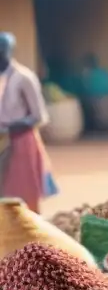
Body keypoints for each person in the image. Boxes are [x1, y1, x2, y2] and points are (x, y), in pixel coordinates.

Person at [0, 33, 56, 211]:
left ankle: (31, 235)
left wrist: (10, 127)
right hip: (2, 142)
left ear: (7, 52)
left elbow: (39, 116)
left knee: (24, 199)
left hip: (21, 143)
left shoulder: (23, 77)